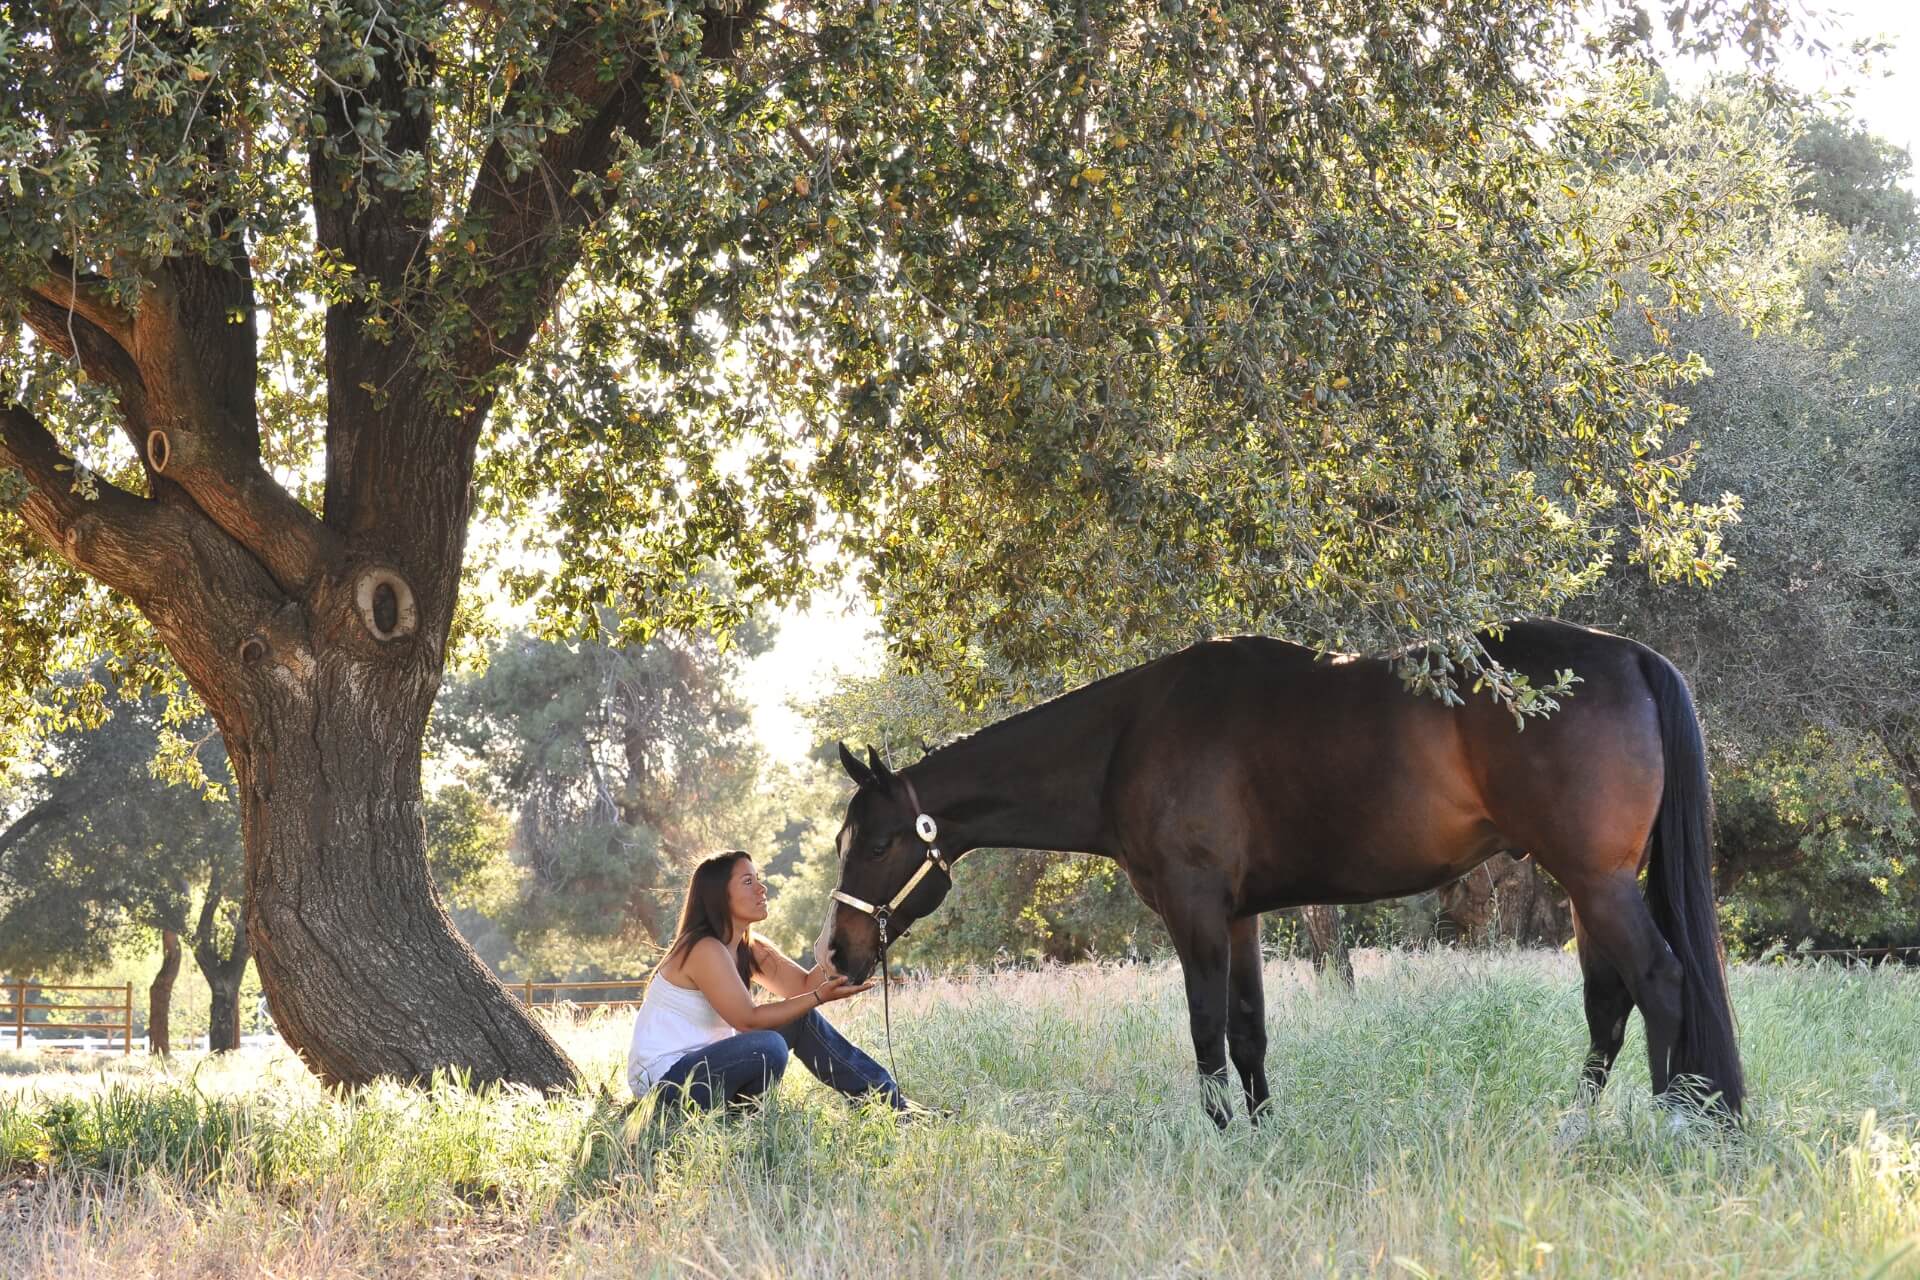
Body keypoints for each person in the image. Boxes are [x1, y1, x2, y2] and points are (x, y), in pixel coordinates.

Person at [628, 850, 907, 1114]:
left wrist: (853, 944)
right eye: (748, 882)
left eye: (758, 880)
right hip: (666, 1084)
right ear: (718, 895)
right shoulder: (704, 949)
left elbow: (803, 985)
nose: (762, 889)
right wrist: (819, 997)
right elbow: (748, 1021)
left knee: (799, 1018)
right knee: (768, 1046)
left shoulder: (750, 948)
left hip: (707, 1068)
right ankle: (736, 1116)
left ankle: (888, 1103)